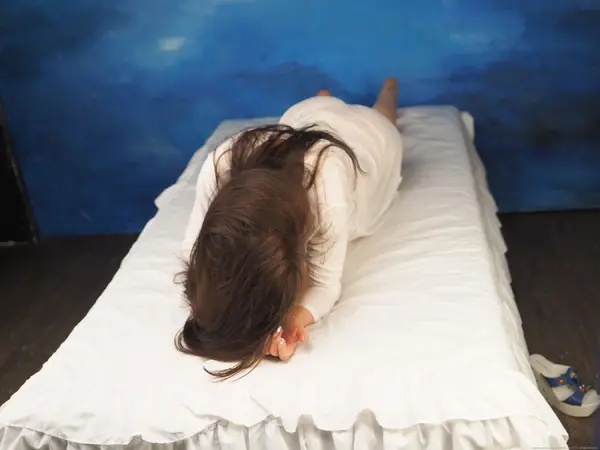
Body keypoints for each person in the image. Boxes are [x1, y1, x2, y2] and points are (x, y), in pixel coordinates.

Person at [176, 78, 403, 379]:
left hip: (368, 147)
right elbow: (191, 253)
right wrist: (269, 324)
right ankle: (324, 98)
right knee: (318, 110)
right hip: (302, 127)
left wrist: (285, 321)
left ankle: (388, 91)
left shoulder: (328, 196)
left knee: (381, 114)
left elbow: (325, 287)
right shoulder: (219, 166)